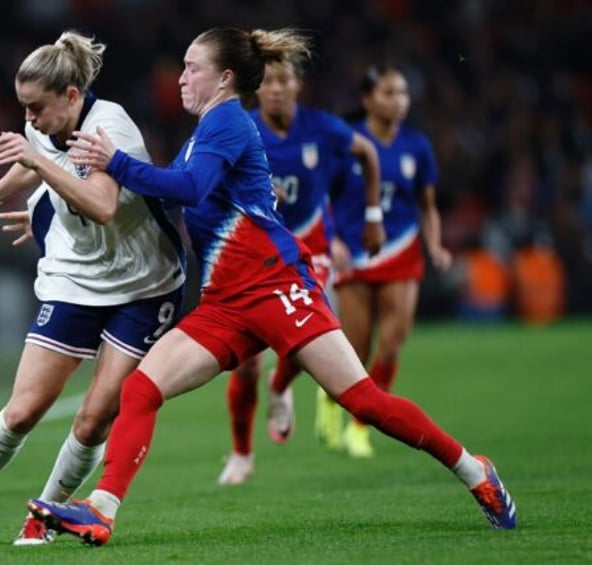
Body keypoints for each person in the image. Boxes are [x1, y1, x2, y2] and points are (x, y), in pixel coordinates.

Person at [28, 28, 516, 546]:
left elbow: (190, 188)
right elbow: (164, 195)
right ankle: (101, 510)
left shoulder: (228, 122)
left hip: (276, 287)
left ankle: (474, 470)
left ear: (225, 77)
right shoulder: (206, 130)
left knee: (365, 402)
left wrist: (117, 163)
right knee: (141, 390)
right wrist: (59, 209)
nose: (182, 77)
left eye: (192, 67)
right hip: (225, 303)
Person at [0, 30, 186, 546]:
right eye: (23, 108)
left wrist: (37, 166)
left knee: (92, 419)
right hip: (75, 276)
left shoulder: (110, 129)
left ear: (73, 97)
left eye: (37, 108)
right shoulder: (45, 124)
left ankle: (44, 518)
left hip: (142, 285)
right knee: (22, 411)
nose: (29, 119)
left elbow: (101, 204)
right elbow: (33, 153)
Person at [218, 56, 385, 485]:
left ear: (298, 85)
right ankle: (241, 453)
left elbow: (367, 154)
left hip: (312, 246)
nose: (276, 88)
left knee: (308, 339)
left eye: (284, 80)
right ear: (256, 90)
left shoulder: (323, 128)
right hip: (258, 250)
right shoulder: (243, 132)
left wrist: (370, 216)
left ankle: (281, 386)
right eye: (268, 82)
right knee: (245, 365)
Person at [322, 65, 454, 458]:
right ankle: (330, 402)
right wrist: (332, 242)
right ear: (367, 100)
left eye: (403, 93)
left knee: (393, 341)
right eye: (389, 93)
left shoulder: (417, 146)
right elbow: (320, 197)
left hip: (401, 250)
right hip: (355, 254)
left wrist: (435, 245)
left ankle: (360, 429)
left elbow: (428, 206)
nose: (399, 101)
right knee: (356, 350)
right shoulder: (345, 142)